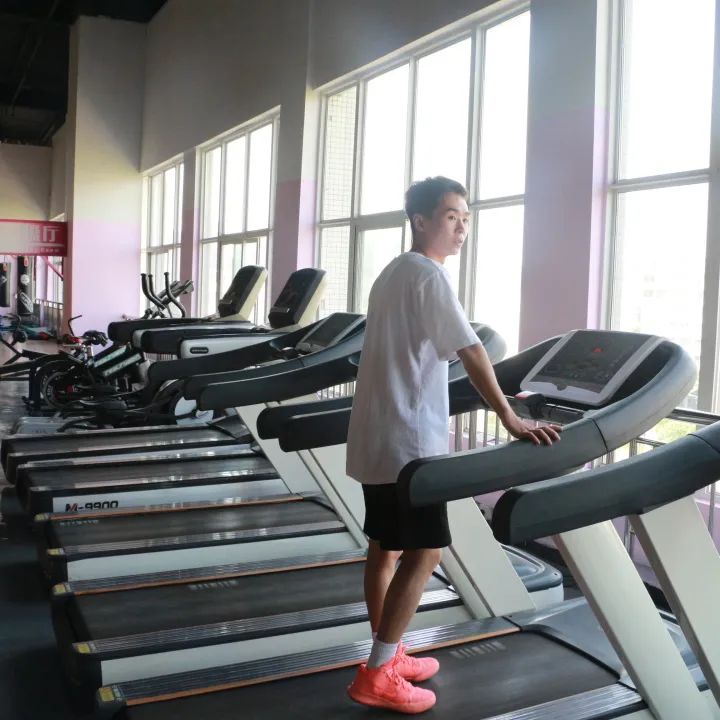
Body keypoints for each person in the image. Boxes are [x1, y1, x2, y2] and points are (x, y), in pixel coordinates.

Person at [345, 176, 562, 714]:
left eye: (466, 218)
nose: (462, 227)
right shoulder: (429, 275)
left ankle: (386, 653)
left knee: (385, 548)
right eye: (451, 217)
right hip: (408, 442)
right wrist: (509, 415)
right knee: (426, 551)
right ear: (420, 221)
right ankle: (378, 671)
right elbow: (469, 349)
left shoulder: (393, 272)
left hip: (378, 435)